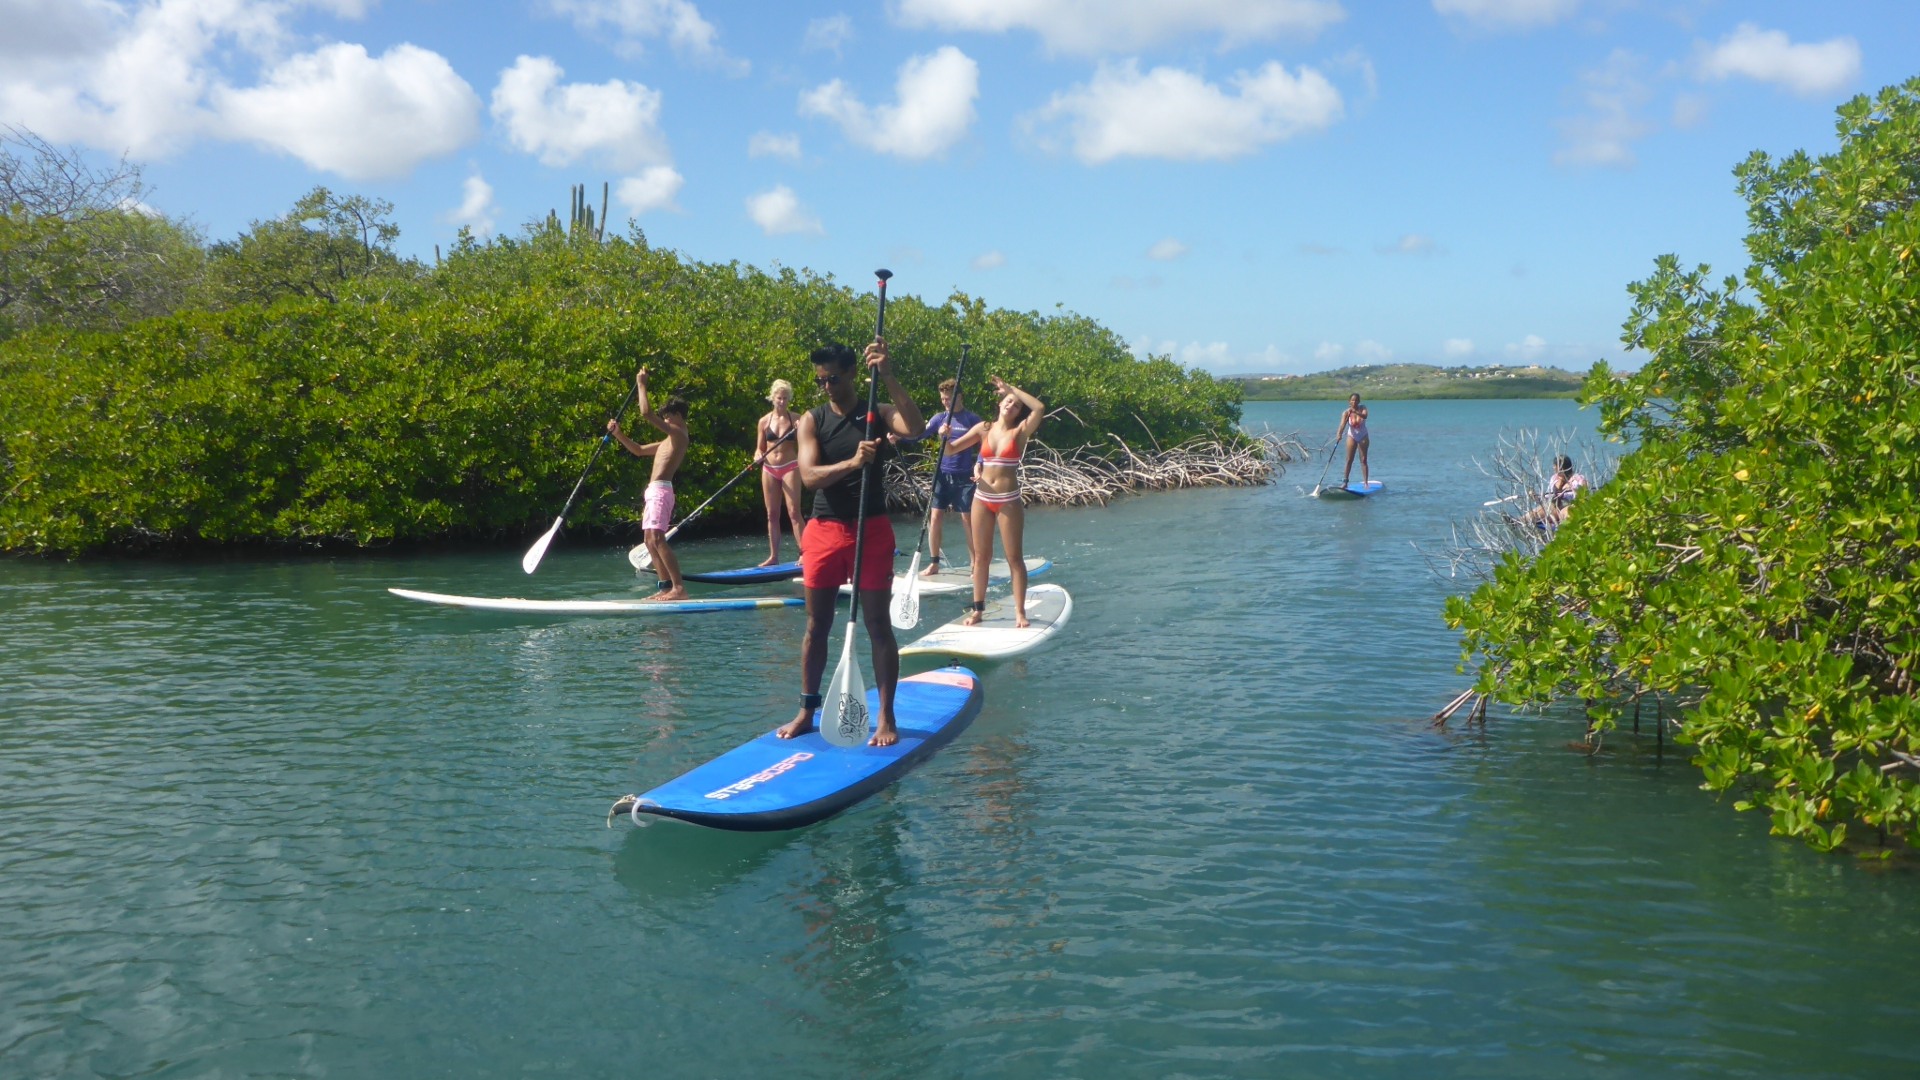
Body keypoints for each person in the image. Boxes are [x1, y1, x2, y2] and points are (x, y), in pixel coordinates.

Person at [777, 339, 924, 748]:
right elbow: (808, 477)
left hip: (871, 528)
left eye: (833, 378)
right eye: (820, 380)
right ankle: (808, 709)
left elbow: (915, 428)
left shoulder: (875, 411)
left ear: (854, 373)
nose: (825, 386)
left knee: (878, 624)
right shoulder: (812, 419)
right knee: (816, 625)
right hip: (823, 530)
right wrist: (853, 463)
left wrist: (890, 375)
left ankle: (886, 716)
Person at [949, 376, 1044, 628]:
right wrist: (942, 436)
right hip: (981, 498)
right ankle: (978, 610)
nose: (1010, 406)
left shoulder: (1020, 431)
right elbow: (950, 449)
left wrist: (1014, 389)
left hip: (1008, 500)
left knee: (1014, 558)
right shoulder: (983, 428)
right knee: (981, 558)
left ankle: (1020, 612)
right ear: (1000, 402)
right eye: (1008, 401)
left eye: (1015, 404)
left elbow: (1039, 408)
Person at [607, 368, 690, 600]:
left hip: (662, 491)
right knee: (648, 540)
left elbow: (646, 413)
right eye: (664, 417)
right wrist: (618, 434)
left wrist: (641, 384)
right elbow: (639, 450)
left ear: (679, 416)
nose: (665, 420)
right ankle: (664, 587)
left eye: (668, 416)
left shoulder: (680, 434)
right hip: (653, 492)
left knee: (658, 538)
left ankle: (679, 588)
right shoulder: (667, 441)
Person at [906, 377, 983, 577]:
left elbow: (985, 445)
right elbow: (920, 434)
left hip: (964, 476)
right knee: (936, 516)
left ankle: (975, 562)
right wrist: (899, 436)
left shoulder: (972, 419)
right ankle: (934, 563)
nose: (945, 402)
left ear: (959, 397)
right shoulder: (939, 418)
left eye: (948, 399)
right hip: (942, 475)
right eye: (942, 399)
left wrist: (980, 463)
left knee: (967, 519)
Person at [755, 378, 804, 567]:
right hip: (769, 469)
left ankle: (804, 552)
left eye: (785, 398)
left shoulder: (796, 418)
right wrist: (757, 455)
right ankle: (774, 556)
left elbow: (806, 444)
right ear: (772, 398)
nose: (782, 401)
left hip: (790, 466)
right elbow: (759, 448)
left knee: (793, 511)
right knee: (772, 514)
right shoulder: (764, 421)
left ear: (789, 399)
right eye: (779, 398)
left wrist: (800, 431)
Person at [1338, 392, 1370, 486]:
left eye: (1356, 400)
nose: (1354, 402)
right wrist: (1339, 434)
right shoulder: (1346, 413)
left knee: (1363, 459)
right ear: (1349, 401)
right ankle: (1345, 482)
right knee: (1349, 460)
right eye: (1352, 400)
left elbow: (1365, 416)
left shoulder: (1363, 408)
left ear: (1359, 401)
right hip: (1351, 436)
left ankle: (1366, 483)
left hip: (1363, 436)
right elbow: (1342, 425)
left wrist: (1355, 411)